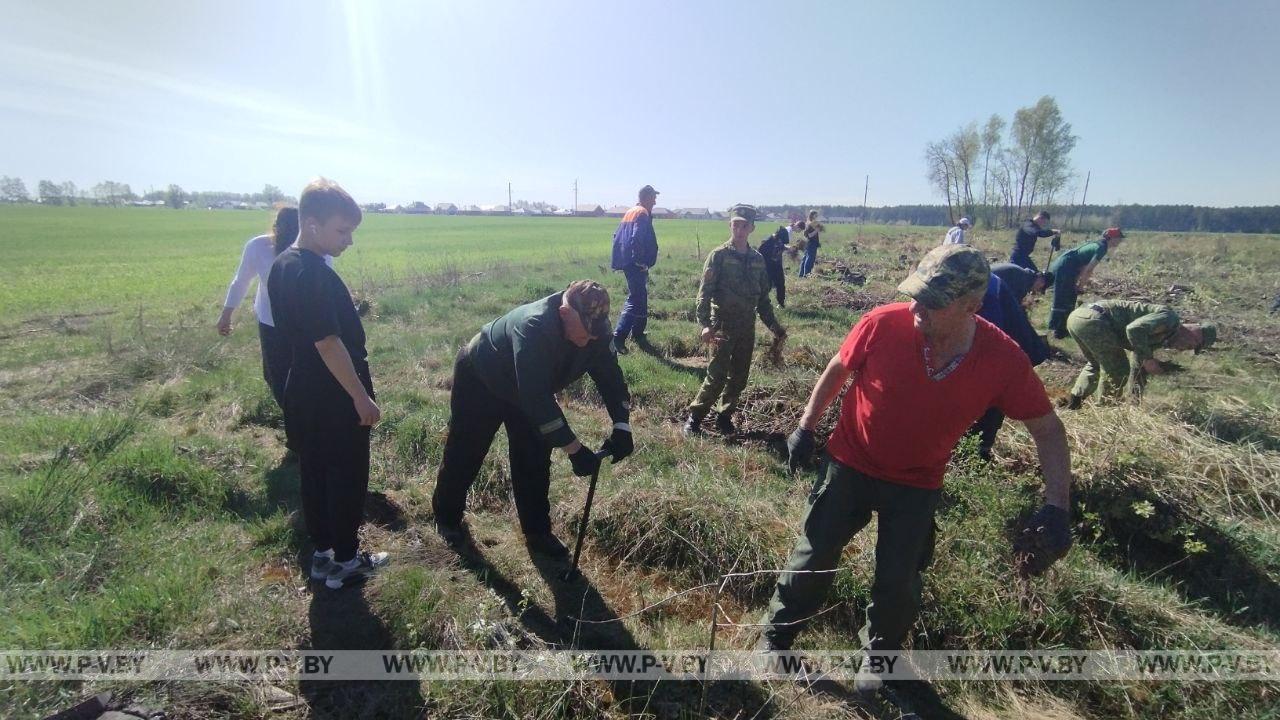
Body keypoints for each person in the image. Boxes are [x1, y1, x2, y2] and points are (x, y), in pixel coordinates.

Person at [762, 244, 1072, 692]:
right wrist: (806, 426)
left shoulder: (1000, 358)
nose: (915, 309)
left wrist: (1057, 505)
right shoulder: (883, 323)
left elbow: (1047, 428)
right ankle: (776, 639)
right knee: (815, 554)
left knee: (899, 579)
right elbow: (838, 367)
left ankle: (880, 661)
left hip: (916, 483)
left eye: (931, 302)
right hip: (850, 463)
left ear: (972, 306)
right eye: (915, 296)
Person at [432, 280, 634, 558]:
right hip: (482, 377)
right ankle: (446, 518)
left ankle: (537, 531)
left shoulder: (596, 330)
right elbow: (536, 399)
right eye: (584, 334)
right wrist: (574, 449)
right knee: (467, 450)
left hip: (528, 386)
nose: (589, 340)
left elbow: (610, 376)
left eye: (594, 334)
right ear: (565, 313)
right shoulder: (534, 327)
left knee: (534, 456)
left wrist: (622, 425)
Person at [267, 178, 387, 590]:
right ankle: (348, 560)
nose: (349, 241)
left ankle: (322, 555)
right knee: (347, 476)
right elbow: (328, 341)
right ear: (312, 223)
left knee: (314, 474)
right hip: (332, 394)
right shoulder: (313, 274)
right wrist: (360, 398)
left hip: (300, 388)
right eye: (342, 231)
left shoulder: (283, 263)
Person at [683, 205, 787, 435]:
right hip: (721, 326)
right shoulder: (719, 256)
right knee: (717, 375)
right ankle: (695, 418)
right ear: (730, 225)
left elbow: (763, 300)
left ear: (752, 228)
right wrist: (705, 325)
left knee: (739, 377)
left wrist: (774, 327)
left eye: (744, 226)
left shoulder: (758, 260)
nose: (739, 230)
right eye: (735, 225)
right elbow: (704, 292)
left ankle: (724, 416)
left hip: (746, 327)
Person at [217, 207, 319, 408]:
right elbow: (241, 281)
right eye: (285, 230)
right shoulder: (258, 247)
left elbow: (322, 288)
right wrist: (226, 315)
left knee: (305, 375)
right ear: (275, 228)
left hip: (304, 325)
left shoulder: (314, 249)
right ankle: (293, 417)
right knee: (275, 375)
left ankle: (304, 420)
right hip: (270, 323)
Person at [1064, 300, 1216, 408]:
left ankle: (1074, 402)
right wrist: (1149, 360)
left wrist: (1134, 401)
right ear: (1195, 332)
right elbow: (1134, 329)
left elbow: (1138, 366)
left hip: (1079, 319)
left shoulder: (1162, 337)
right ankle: (1105, 411)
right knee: (1117, 368)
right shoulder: (1169, 320)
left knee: (1097, 363)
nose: (1185, 349)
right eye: (1191, 345)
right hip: (1094, 319)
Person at [972, 266, 1053, 460]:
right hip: (1007, 337)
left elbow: (989, 340)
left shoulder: (985, 297)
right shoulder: (979, 284)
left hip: (1014, 346)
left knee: (993, 396)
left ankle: (980, 451)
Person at [1047, 228, 1125, 339]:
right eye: (1119, 238)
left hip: (1069, 266)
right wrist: (1080, 286)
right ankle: (1057, 330)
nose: (1120, 241)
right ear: (1111, 238)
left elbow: (1083, 265)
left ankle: (1065, 328)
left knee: (1070, 296)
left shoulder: (1098, 244)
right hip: (1065, 267)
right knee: (1062, 297)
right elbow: (1088, 270)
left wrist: (1078, 283)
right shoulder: (1101, 248)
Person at [610, 185, 660, 354]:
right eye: (653, 197)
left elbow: (616, 235)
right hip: (634, 263)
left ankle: (638, 333)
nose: (655, 201)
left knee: (641, 295)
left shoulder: (631, 211)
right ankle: (618, 336)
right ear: (646, 197)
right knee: (636, 297)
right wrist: (640, 261)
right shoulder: (641, 213)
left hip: (627, 261)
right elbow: (636, 238)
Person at [757, 223, 791, 307]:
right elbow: (759, 252)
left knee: (781, 284)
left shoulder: (779, 240)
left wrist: (789, 248)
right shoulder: (768, 241)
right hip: (768, 267)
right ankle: (760, 304)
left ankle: (781, 303)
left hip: (777, 266)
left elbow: (781, 246)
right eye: (780, 240)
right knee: (767, 286)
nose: (781, 242)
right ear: (777, 236)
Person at [797, 210, 823, 278]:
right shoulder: (810, 224)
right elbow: (809, 235)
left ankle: (801, 275)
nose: (817, 217)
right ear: (812, 215)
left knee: (805, 258)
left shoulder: (809, 223)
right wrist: (816, 230)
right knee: (810, 260)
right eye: (816, 215)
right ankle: (806, 275)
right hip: (811, 243)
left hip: (809, 243)